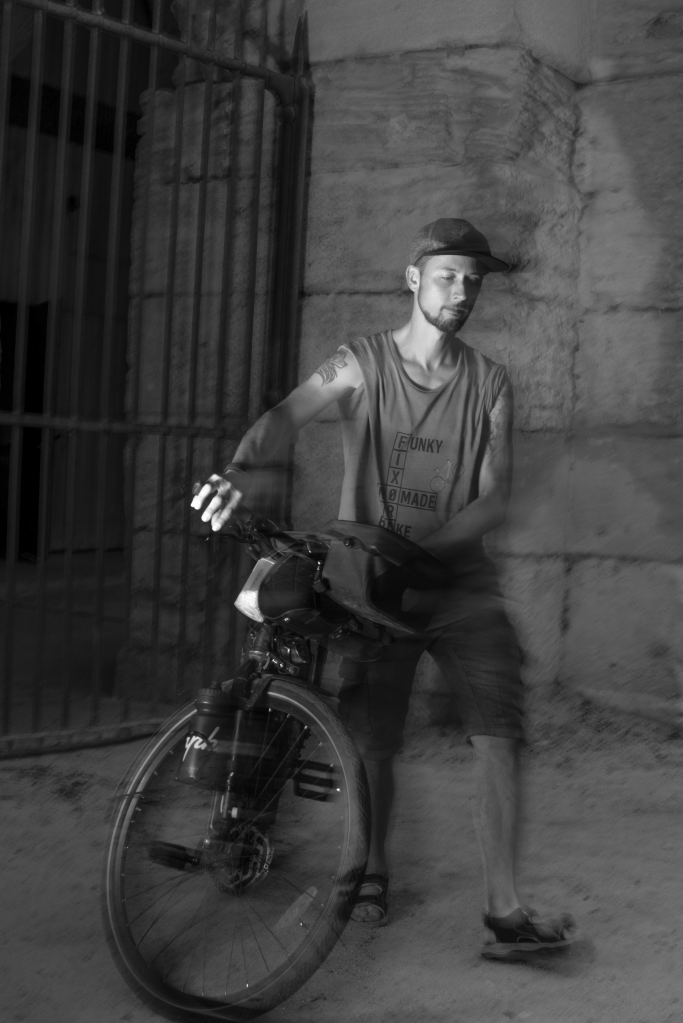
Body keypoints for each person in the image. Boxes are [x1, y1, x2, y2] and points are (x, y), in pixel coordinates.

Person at [191, 218, 576, 960]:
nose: (461, 291)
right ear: (413, 278)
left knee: (499, 732)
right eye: (447, 275)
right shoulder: (361, 362)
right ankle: (367, 869)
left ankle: (504, 911)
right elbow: (285, 417)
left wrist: (418, 555)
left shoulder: (490, 381)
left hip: (460, 588)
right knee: (371, 742)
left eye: (472, 280)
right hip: (371, 589)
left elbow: (493, 498)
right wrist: (238, 474)